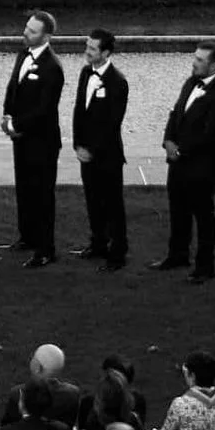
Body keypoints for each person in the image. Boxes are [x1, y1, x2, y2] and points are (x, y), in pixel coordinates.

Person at [158, 45, 215, 279]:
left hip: (202, 166)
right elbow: (177, 112)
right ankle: (178, 255)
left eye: (200, 60)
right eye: (195, 58)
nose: (194, 62)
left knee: (203, 216)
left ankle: (205, 266)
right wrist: (168, 140)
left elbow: (211, 134)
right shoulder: (192, 81)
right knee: (177, 210)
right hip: (179, 161)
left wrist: (180, 151)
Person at [2, 9, 65, 267]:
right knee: (24, 190)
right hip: (21, 138)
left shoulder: (53, 66)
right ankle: (26, 237)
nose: (25, 33)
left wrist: (17, 124)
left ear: (47, 35)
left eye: (32, 31)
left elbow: (44, 108)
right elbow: (12, 87)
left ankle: (45, 249)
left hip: (42, 141)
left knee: (42, 195)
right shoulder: (22, 54)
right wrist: (7, 115)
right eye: (26, 28)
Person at [73, 29, 129, 269]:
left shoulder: (118, 81)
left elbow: (111, 123)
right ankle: (98, 244)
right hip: (86, 153)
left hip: (107, 155)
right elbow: (79, 111)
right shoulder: (86, 73)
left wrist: (92, 150)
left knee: (112, 205)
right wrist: (78, 144)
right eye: (87, 46)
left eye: (92, 48)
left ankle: (117, 254)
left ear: (106, 53)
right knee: (93, 201)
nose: (87, 51)